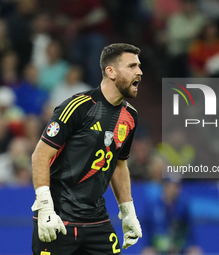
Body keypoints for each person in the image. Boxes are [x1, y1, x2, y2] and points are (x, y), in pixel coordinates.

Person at [31, 43, 143, 255]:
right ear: (110, 71)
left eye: (139, 66)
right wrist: (45, 206)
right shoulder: (77, 106)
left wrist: (127, 211)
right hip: (58, 217)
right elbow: (40, 156)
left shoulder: (130, 116)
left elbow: (118, 164)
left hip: (96, 220)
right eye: (132, 66)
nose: (139, 72)